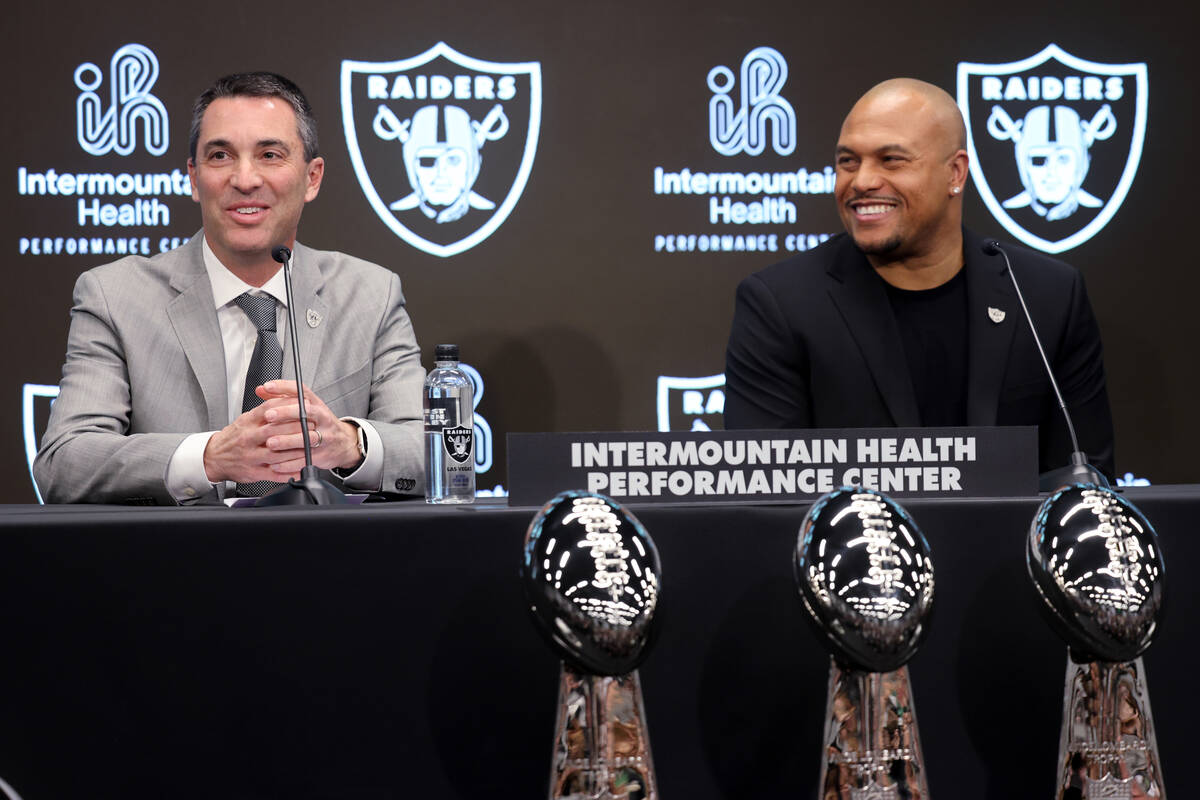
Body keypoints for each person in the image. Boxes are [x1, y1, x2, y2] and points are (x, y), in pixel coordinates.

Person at [35, 72, 425, 504]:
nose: (244, 178)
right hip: (175, 564)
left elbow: (434, 454)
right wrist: (209, 457)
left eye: (270, 155)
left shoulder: (370, 295)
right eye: (220, 155)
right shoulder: (115, 296)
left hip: (328, 562)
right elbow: (64, 462)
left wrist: (349, 445)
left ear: (312, 178)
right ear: (193, 177)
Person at [724, 78, 1114, 479]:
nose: (861, 181)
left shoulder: (1044, 295)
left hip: (1011, 542)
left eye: (891, 160)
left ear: (955, 172)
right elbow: (766, 495)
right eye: (847, 161)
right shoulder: (782, 304)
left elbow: (1084, 484)